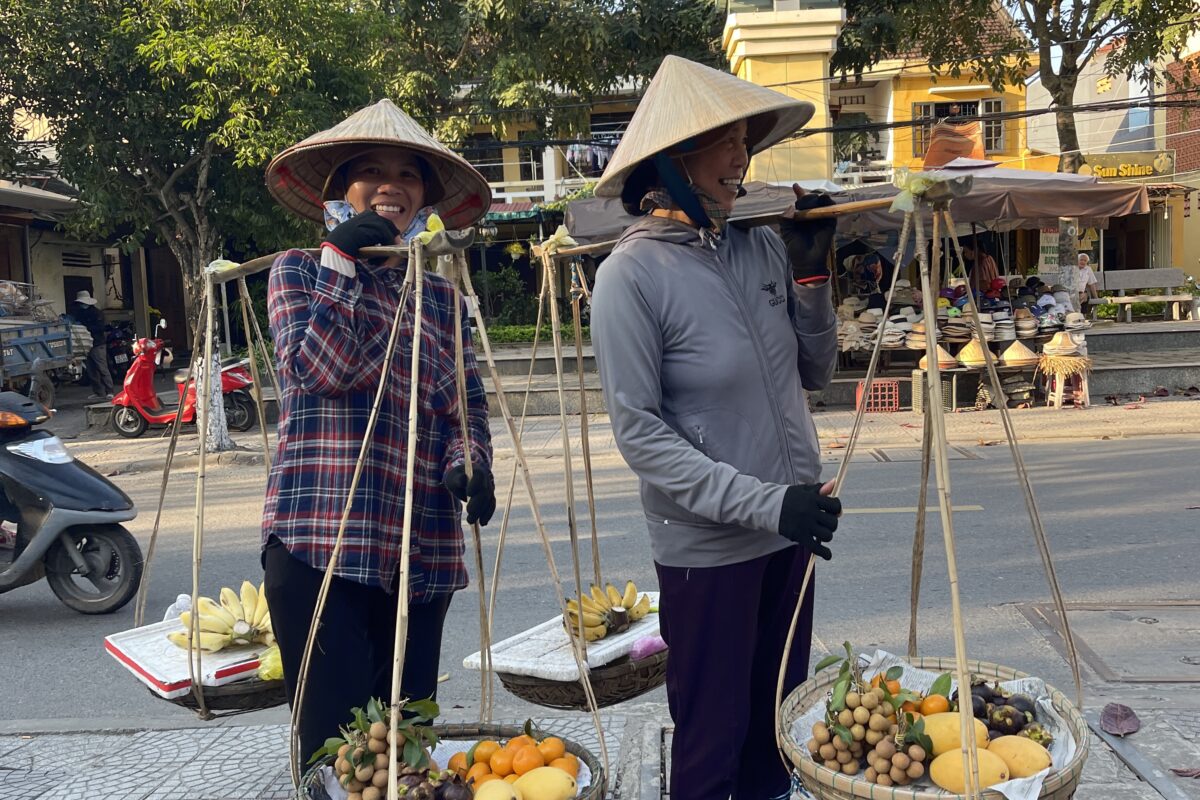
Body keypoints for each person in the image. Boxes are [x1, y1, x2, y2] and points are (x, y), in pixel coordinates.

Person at [589, 56, 843, 800]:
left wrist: (814, 277)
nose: (742, 159)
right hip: (708, 548)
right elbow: (639, 433)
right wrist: (768, 503)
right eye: (724, 142)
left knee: (778, 728)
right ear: (671, 163)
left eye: (745, 143)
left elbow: (815, 372)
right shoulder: (629, 277)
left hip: (790, 533)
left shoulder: (759, 243)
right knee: (711, 737)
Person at [260, 99, 496, 761]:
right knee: (339, 759)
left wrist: (471, 460)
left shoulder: (443, 299)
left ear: (425, 200)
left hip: (420, 550)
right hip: (321, 541)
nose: (390, 184)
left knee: (406, 750)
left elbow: (465, 406)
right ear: (340, 194)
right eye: (369, 171)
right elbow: (316, 372)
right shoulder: (299, 272)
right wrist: (341, 261)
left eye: (408, 174)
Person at [72, 290, 113, 400]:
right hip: (86, 345)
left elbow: (100, 327)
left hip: (97, 344)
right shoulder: (79, 313)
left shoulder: (97, 313)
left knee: (102, 368)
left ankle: (110, 391)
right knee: (91, 371)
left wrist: (86, 328)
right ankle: (98, 392)